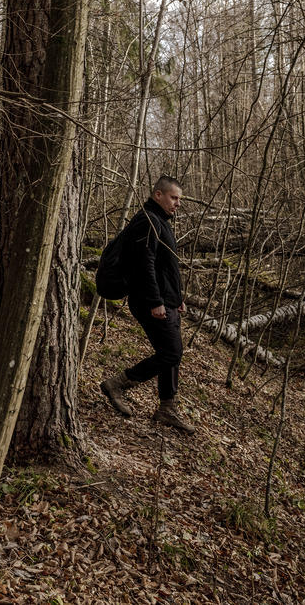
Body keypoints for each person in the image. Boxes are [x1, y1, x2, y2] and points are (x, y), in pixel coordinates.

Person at [99, 176, 195, 434]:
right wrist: (155, 301)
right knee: (171, 353)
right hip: (151, 302)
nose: (177, 204)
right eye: (174, 198)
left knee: (170, 354)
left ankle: (167, 407)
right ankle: (118, 384)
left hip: (167, 302)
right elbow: (145, 265)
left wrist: (177, 298)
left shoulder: (160, 222)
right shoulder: (148, 221)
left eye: (179, 199)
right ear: (158, 195)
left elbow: (165, 267)